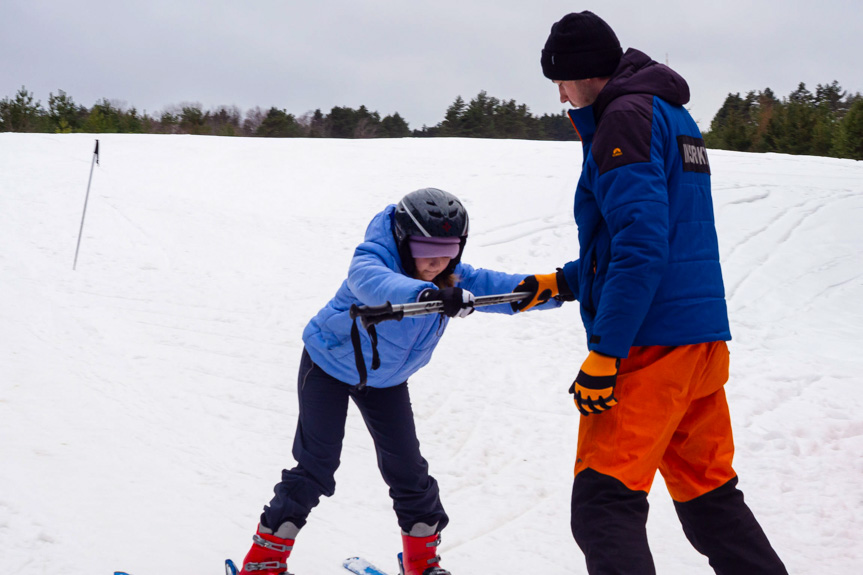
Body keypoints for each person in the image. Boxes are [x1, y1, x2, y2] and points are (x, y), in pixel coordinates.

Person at [510, 11, 788, 575]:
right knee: (710, 499)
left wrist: (606, 352)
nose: (559, 95)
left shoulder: (623, 118)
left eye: (559, 81)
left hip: (650, 345)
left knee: (602, 504)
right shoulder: (669, 111)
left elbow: (641, 243)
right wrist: (564, 281)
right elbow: (654, 233)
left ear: (583, 73)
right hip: (699, 343)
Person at [237, 187, 561, 575]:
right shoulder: (373, 260)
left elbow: (504, 288)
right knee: (315, 468)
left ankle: (421, 563)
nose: (437, 261)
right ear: (406, 242)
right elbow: (374, 281)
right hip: (327, 365)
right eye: (426, 250)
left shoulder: (449, 273)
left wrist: (557, 287)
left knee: (409, 472)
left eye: (449, 249)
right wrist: (427, 293)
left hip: (387, 381)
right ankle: (263, 563)